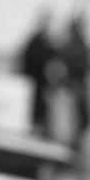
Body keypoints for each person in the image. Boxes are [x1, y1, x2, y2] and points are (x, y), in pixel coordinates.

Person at [58, 14, 90, 155]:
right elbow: (69, 66)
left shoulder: (78, 43)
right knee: (81, 121)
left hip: (81, 86)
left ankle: (76, 151)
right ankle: (74, 152)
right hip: (77, 87)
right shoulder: (73, 44)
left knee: (85, 121)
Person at [17, 10, 56, 139]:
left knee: (43, 117)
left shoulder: (44, 42)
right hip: (35, 87)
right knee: (37, 118)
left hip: (41, 88)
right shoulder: (37, 42)